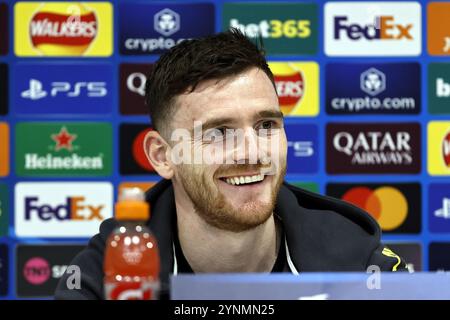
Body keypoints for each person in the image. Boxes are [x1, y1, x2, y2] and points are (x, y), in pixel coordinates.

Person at [55, 29, 408, 300]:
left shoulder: (361, 269)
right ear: (163, 156)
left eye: (266, 125)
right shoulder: (102, 281)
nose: (252, 153)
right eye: (219, 132)